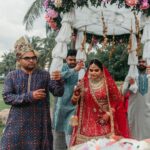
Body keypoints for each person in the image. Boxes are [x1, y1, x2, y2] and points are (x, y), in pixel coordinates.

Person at [0, 36, 64, 150]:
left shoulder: (44, 75)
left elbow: (58, 92)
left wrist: (59, 81)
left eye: (34, 58)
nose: (31, 60)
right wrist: (30, 96)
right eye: (27, 58)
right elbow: (7, 97)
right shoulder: (12, 76)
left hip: (39, 123)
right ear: (19, 60)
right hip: (17, 122)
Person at [70, 59, 130, 146]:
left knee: (104, 146)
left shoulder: (108, 83)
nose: (93, 72)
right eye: (91, 70)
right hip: (86, 125)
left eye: (96, 70)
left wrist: (109, 114)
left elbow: (117, 101)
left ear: (102, 71)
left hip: (104, 121)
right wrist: (76, 95)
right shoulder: (83, 83)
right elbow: (73, 103)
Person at [53, 49, 84, 150]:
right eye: (70, 59)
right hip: (62, 104)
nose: (72, 62)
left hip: (75, 104)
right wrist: (75, 69)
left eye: (74, 60)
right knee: (59, 129)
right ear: (66, 59)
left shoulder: (82, 69)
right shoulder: (62, 67)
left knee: (70, 129)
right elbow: (58, 76)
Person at [122, 56, 150, 140]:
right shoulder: (130, 76)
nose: (141, 63)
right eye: (139, 61)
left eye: (143, 62)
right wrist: (131, 84)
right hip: (134, 109)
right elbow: (123, 92)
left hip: (147, 109)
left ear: (147, 63)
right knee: (133, 133)